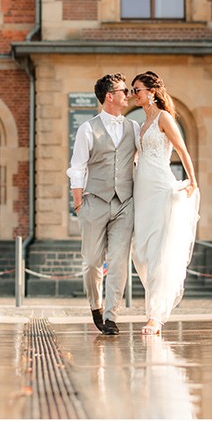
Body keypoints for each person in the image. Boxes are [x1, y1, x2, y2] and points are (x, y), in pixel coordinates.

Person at [67, 73, 140, 335]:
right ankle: (95, 307)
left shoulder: (133, 127)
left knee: (119, 261)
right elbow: (77, 168)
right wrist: (78, 203)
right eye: (124, 91)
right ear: (110, 96)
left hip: (124, 204)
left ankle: (111, 317)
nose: (128, 95)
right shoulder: (88, 129)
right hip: (94, 203)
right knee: (91, 262)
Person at [129, 71, 200, 335]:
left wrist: (192, 180)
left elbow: (182, 150)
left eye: (137, 89)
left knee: (159, 253)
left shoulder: (164, 118)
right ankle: (154, 309)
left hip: (160, 188)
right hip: (142, 190)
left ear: (151, 92)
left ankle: (155, 316)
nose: (133, 94)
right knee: (141, 251)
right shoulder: (142, 123)